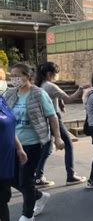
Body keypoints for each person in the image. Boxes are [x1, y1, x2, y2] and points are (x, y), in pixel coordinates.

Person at [3, 63, 65, 221]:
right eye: (12, 75)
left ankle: (27, 215)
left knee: (25, 180)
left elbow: (52, 116)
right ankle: (39, 196)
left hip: (34, 143)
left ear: (27, 76)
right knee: (10, 178)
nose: (14, 78)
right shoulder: (9, 93)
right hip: (13, 144)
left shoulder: (39, 93)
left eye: (17, 75)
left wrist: (57, 138)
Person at [34, 62, 87, 187]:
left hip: (44, 118)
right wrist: (80, 90)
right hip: (54, 118)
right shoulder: (50, 86)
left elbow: (54, 99)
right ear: (49, 74)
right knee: (68, 144)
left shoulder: (39, 85)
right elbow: (69, 99)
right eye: (55, 73)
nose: (57, 76)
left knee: (47, 148)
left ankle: (38, 177)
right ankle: (71, 175)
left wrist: (60, 102)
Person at [1, 89, 28, 221]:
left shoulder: (2, 101)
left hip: (6, 160)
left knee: (4, 199)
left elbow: (10, 128)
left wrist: (19, 148)